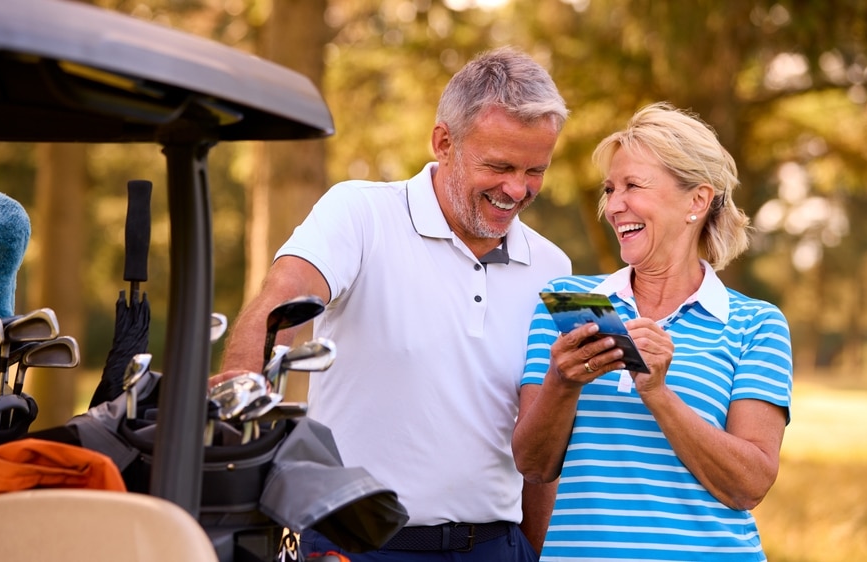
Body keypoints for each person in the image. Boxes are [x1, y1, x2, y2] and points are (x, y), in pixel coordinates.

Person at [218, 46, 571, 561]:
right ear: (443, 142)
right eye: (499, 166)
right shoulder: (359, 213)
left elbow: (541, 442)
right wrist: (234, 406)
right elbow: (279, 305)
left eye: (534, 170)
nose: (516, 189)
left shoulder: (552, 268)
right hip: (355, 546)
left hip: (496, 547)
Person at [512, 102, 792, 561]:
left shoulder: (755, 324)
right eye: (610, 188)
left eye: (633, 186)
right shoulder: (570, 304)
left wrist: (658, 393)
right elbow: (534, 465)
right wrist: (561, 383)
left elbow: (750, 485)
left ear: (697, 201)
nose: (614, 205)